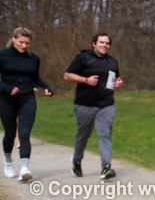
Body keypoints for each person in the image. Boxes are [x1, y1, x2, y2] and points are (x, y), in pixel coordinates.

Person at [63, 33, 122, 179]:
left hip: (106, 104)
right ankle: (76, 160)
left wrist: (117, 83)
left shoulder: (112, 61)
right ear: (94, 44)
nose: (105, 45)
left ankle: (106, 168)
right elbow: (67, 75)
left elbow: (114, 79)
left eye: (107, 43)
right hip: (85, 104)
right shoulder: (83, 58)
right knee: (83, 136)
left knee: (105, 135)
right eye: (101, 42)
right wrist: (86, 80)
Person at [1, 27, 53, 181]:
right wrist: (7, 88)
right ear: (13, 39)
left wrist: (47, 87)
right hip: (6, 99)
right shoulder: (2, 56)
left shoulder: (34, 58)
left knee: (24, 133)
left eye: (27, 43)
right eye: (21, 42)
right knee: (10, 134)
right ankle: (8, 162)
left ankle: (24, 169)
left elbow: (35, 77)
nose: (24, 46)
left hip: (27, 98)